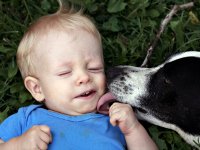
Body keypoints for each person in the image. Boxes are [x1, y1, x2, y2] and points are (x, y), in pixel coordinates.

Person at [0, 1, 158, 150]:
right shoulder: (27, 119)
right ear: (37, 88)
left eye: (94, 68)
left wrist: (133, 129)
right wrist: (17, 145)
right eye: (65, 72)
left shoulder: (115, 121)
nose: (84, 77)